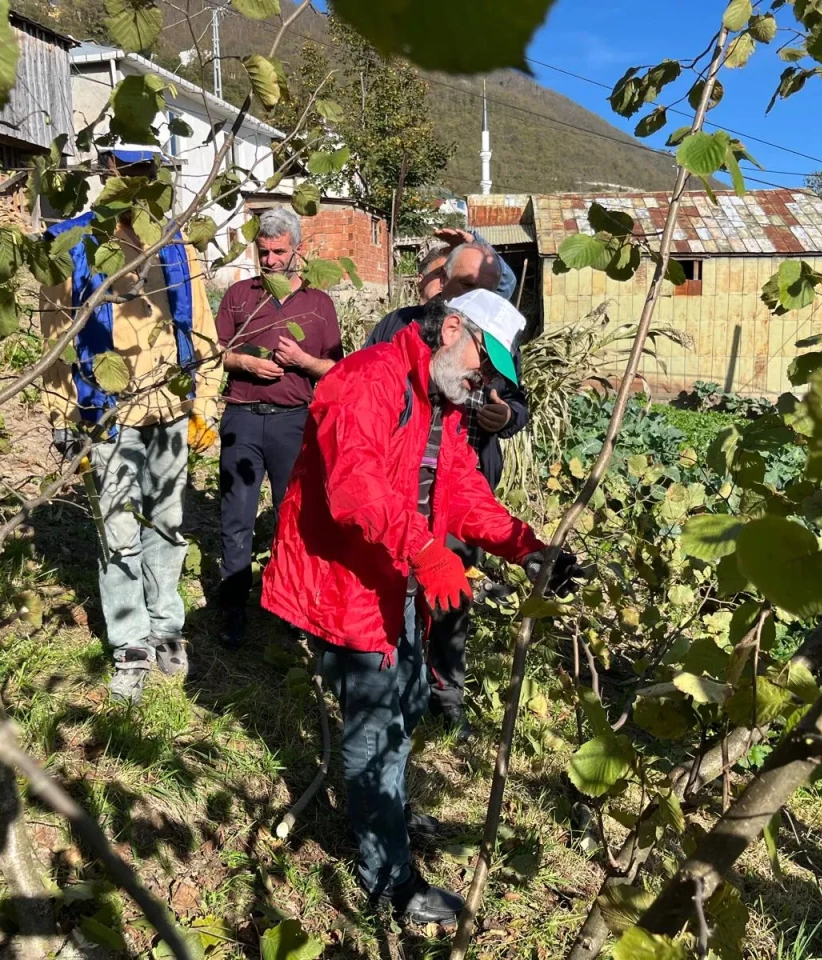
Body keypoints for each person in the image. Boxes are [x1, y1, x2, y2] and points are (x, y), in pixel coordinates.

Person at [260, 289, 580, 924]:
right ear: (452, 328)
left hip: (397, 582)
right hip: (350, 587)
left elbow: (461, 487)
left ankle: (394, 816)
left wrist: (526, 548)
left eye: (493, 380)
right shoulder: (367, 381)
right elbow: (356, 491)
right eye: (482, 369)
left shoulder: (439, 401)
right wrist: (427, 551)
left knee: (406, 706)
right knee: (374, 731)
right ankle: (389, 882)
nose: (483, 388)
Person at [39, 144, 221, 706]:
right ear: (108, 174)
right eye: (128, 172)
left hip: (167, 408)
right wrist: (62, 412)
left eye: (149, 173)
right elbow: (54, 335)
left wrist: (205, 400)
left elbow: (204, 325)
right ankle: (130, 644)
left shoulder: (176, 244)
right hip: (106, 413)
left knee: (166, 524)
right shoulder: (74, 242)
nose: (139, 183)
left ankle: (167, 627)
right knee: (118, 530)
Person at [365, 231, 528, 737]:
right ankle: (386, 678)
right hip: (401, 483)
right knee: (402, 577)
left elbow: (518, 400)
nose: (475, 293)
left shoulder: (491, 332)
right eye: (463, 283)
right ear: (439, 282)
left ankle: (444, 689)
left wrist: (504, 416)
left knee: (455, 584)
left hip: (464, 472)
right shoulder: (397, 327)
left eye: (485, 285)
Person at [214, 206, 342, 648]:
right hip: (242, 418)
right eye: (263, 251)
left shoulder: (319, 304)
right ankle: (233, 607)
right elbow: (215, 353)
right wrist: (243, 361)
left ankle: (294, 607)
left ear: (298, 250)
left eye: (278, 252)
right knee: (236, 517)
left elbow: (336, 372)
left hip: (294, 424)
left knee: (297, 519)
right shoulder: (239, 294)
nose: (269, 261)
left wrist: (303, 362)